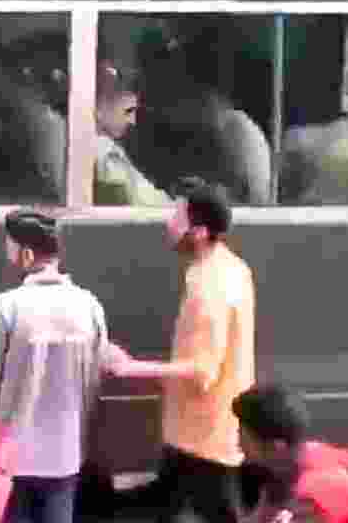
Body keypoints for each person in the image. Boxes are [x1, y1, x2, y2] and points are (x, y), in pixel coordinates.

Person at [109, 176, 256, 523]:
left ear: (200, 232)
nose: (169, 224)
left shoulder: (209, 288)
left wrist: (130, 368)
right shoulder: (228, 267)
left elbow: (202, 371)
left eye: (178, 218)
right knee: (166, 506)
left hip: (204, 439)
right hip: (200, 430)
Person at [0, 208, 126, 523]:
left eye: (9, 248)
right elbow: (97, 374)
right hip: (65, 453)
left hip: (12, 453)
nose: (7, 255)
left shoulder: (7, 305)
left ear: (26, 254)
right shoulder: (89, 305)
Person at [234, 384, 348, 523]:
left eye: (245, 438)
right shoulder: (285, 465)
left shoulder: (311, 500)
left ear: (276, 446)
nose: (239, 445)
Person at [93, 61, 172, 206]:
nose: (133, 121)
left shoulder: (109, 152)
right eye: (128, 111)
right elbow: (148, 203)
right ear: (99, 108)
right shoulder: (106, 155)